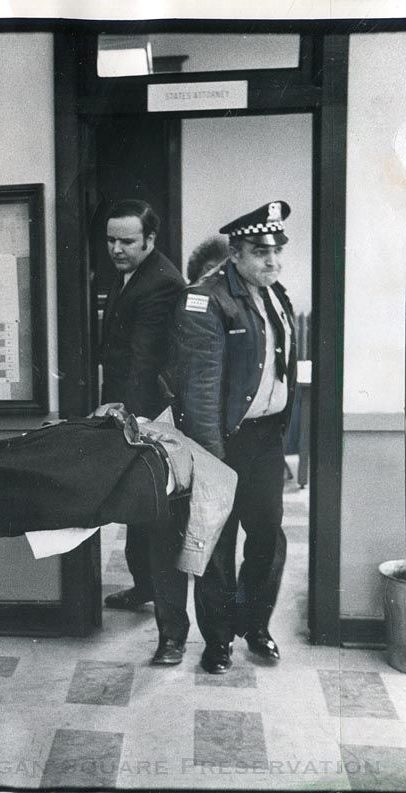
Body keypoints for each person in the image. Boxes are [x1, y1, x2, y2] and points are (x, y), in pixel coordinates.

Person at [169, 200, 297, 674]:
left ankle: (255, 625)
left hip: (265, 438)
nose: (273, 261)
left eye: (277, 250)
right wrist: (211, 457)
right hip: (222, 441)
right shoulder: (206, 299)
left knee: (267, 536)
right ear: (236, 254)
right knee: (217, 544)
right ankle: (217, 641)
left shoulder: (275, 294)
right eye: (261, 252)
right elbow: (200, 389)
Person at [99, 200, 185, 644]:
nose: (116, 249)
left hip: (151, 414)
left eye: (127, 241)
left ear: (150, 240)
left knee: (158, 517)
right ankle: (143, 586)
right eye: (111, 240)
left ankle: (170, 626)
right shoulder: (131, 273)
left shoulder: (161, 282)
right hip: (133, 408)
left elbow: (144, 360)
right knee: (139, 506)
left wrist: (125, 417)